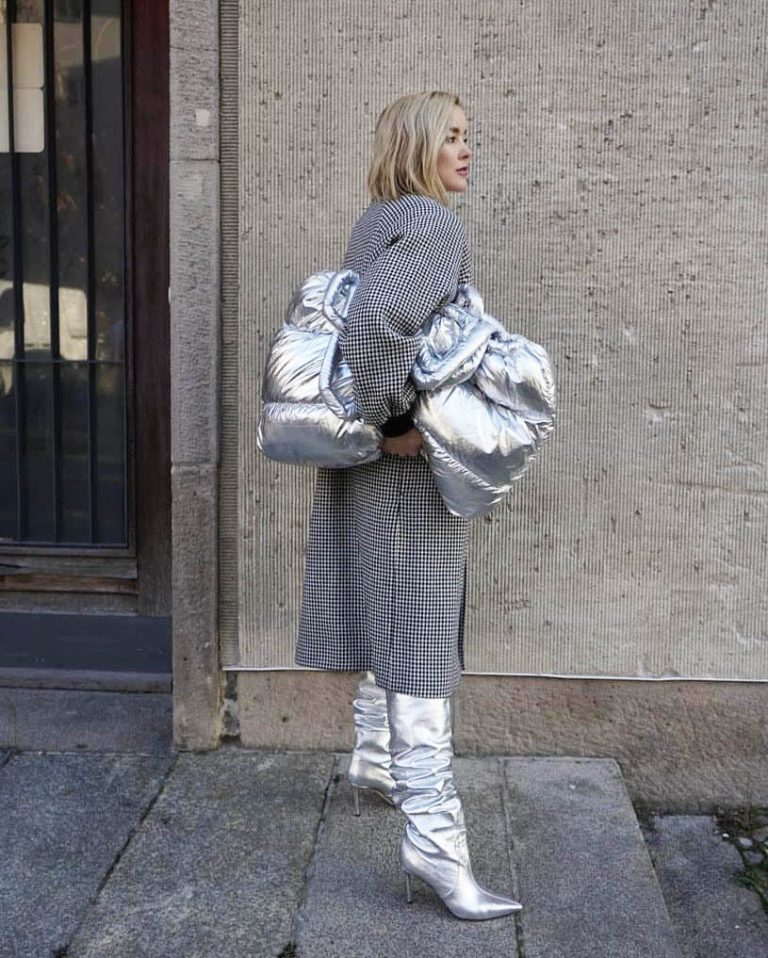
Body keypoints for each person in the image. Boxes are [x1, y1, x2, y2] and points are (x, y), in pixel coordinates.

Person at [295, 91, 522, 920]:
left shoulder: (379, 221)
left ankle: (376, 758)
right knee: (421, 641)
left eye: (469, 135)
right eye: (452, 136)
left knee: (382, 605)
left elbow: (367, 319)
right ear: (418, 145)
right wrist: (395, 423)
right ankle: (435, 844)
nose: (467, 149)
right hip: (400, 473)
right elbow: (375, 327)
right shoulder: (431, 225)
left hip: (364, 472)